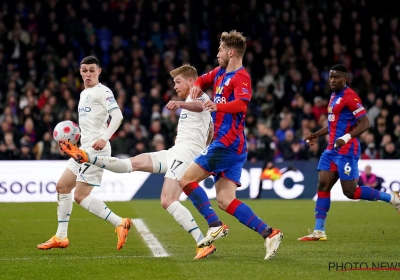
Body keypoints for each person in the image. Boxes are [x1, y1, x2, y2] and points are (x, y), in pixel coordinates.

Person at [59, 65, 216, 260]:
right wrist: (205, 146)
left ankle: (202, 242)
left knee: (168, 200)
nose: (175, 86)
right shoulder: (190, 99)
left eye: (178, 82)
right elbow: (211, 130)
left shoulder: (197, 94)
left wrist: (180, 106)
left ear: (191, 81)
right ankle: (87, 157)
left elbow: (201, 106)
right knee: (131, 164)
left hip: (186, 154)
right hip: (175, 152)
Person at [178, 30, 283, 260]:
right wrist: (196, 86)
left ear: (231, 52)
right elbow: (201, 79)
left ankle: (214, 225)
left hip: (227, 143)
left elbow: (241, 105)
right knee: (226, 201)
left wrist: (218, 107)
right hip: (234, 147)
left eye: (220, 50)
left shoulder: (241, 77)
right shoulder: (219, 73)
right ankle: (269, 233)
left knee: (185, 180)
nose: (217, 54)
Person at [37, 56, 132, 250]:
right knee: (62, 187)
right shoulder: (84, 93)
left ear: (99, 71)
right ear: (80, 71)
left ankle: (119, 223)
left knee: (80, 195)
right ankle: (61, 237)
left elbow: (118, 116)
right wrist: (71, 145)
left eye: (91, 70)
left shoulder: (103, 91)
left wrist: (104, 137)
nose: (87, 74)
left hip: (97, 149)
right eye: (84, 70)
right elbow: (88, 126)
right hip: (83, 148)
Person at [298, 64, 400, 241]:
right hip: (331, 149)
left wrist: (346, 137)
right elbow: (333, 125)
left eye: (336, 77)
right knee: (323, 185)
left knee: (350, 192)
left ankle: (391, 198)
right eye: (330, 77)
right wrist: (316, 134)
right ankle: (319, 231)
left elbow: (365, 123)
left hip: (347, 150)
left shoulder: (350, 97)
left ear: (345, 78)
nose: (332, 80)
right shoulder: (333, 96)